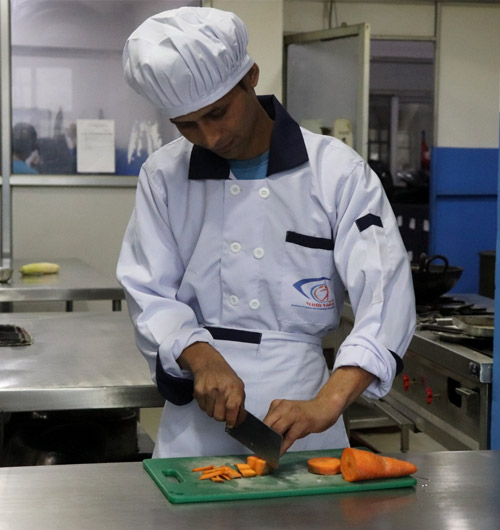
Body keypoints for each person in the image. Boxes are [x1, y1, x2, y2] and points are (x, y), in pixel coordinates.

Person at [117, 6, 416, 459]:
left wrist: (328, 402)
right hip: (197, 424)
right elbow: (148, 290)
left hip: (306, 415)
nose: (211, 138)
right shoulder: (163, 176)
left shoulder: (337, 172)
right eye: (188, 125)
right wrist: (199, 354)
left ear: (251, 77)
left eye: (218, 113)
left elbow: (386, 295)